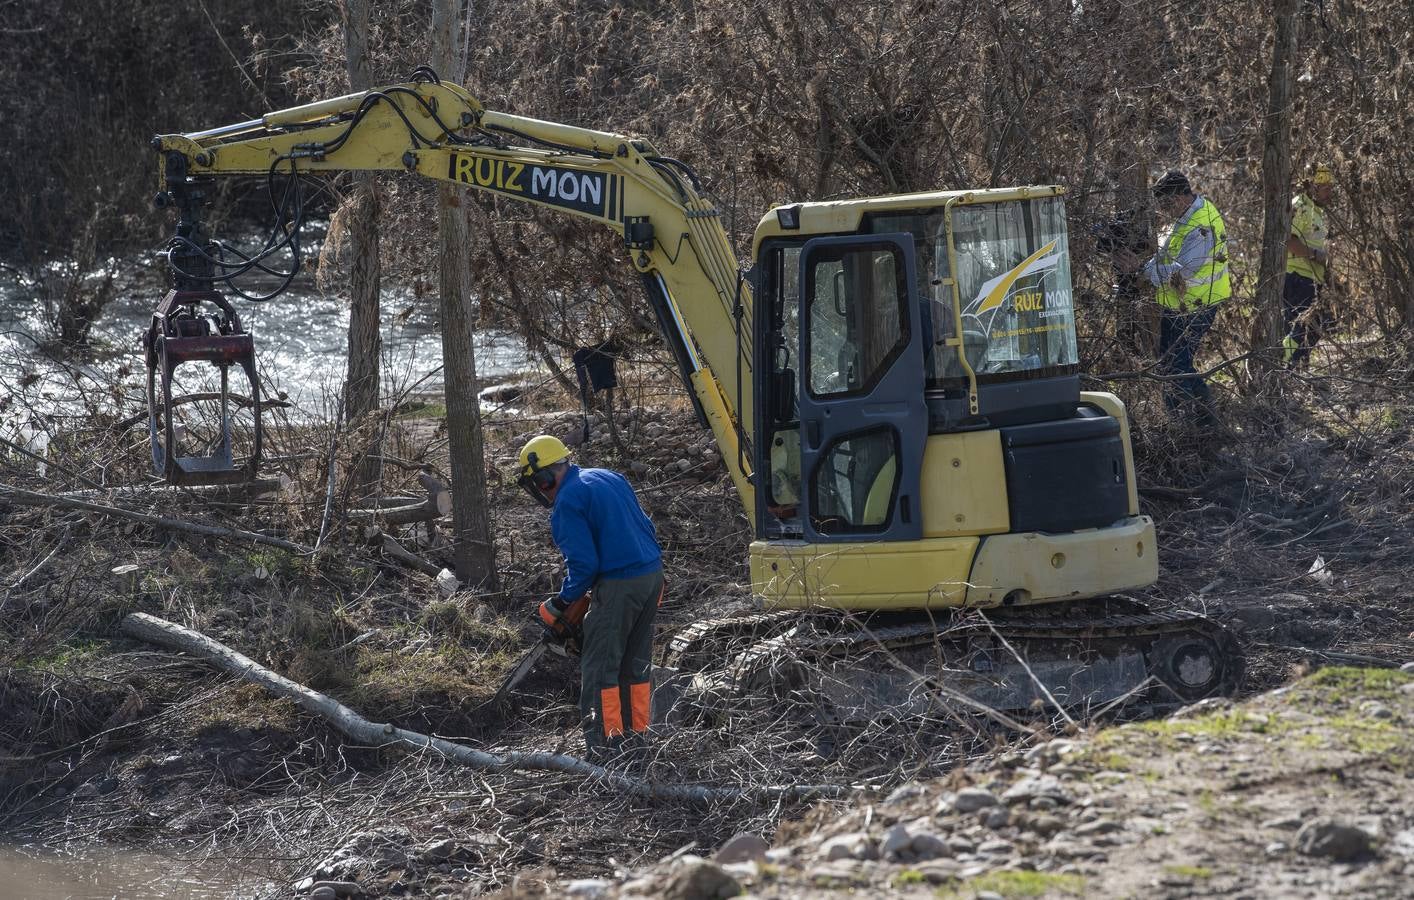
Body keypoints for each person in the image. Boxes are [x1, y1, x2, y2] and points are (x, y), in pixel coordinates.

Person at [516, 434, 663, 762]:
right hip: (652, 576)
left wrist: (563, 601)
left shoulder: (568, 501)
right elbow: (646, 527)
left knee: (599, 670)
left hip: (621, 584)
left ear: (544, 477)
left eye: (538, 484)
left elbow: (584, 565)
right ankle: (636, 742)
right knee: (634, 666)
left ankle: (604, 749)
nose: (540, 491)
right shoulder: (608, 476)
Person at [1116, 171, 1230, 427]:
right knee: (1177, 363)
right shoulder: (1187, 217)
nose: (1164, 210)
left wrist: (1141, 270)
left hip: (1195, 305)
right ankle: (1207, 421)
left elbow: (1183, 271)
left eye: (1166, 204)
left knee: (1174, 367)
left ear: (1179, 198)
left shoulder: (1200, 225)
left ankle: (1184, 425)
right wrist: (1144, 266)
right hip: (1180, 305)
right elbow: (1168, 255)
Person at [1283, 163, 1336, 367]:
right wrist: (1317, 255)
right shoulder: (1301, 206)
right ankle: (1286, 369)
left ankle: (1298, 368)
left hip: (1311, 278)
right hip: (1297, 277)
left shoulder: (1317, 210)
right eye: (1326, 188)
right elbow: (1289, 241)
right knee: (1302, 329)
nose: (1330, 193)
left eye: (1331, 188)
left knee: (1313, 327)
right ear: (1313, 187)